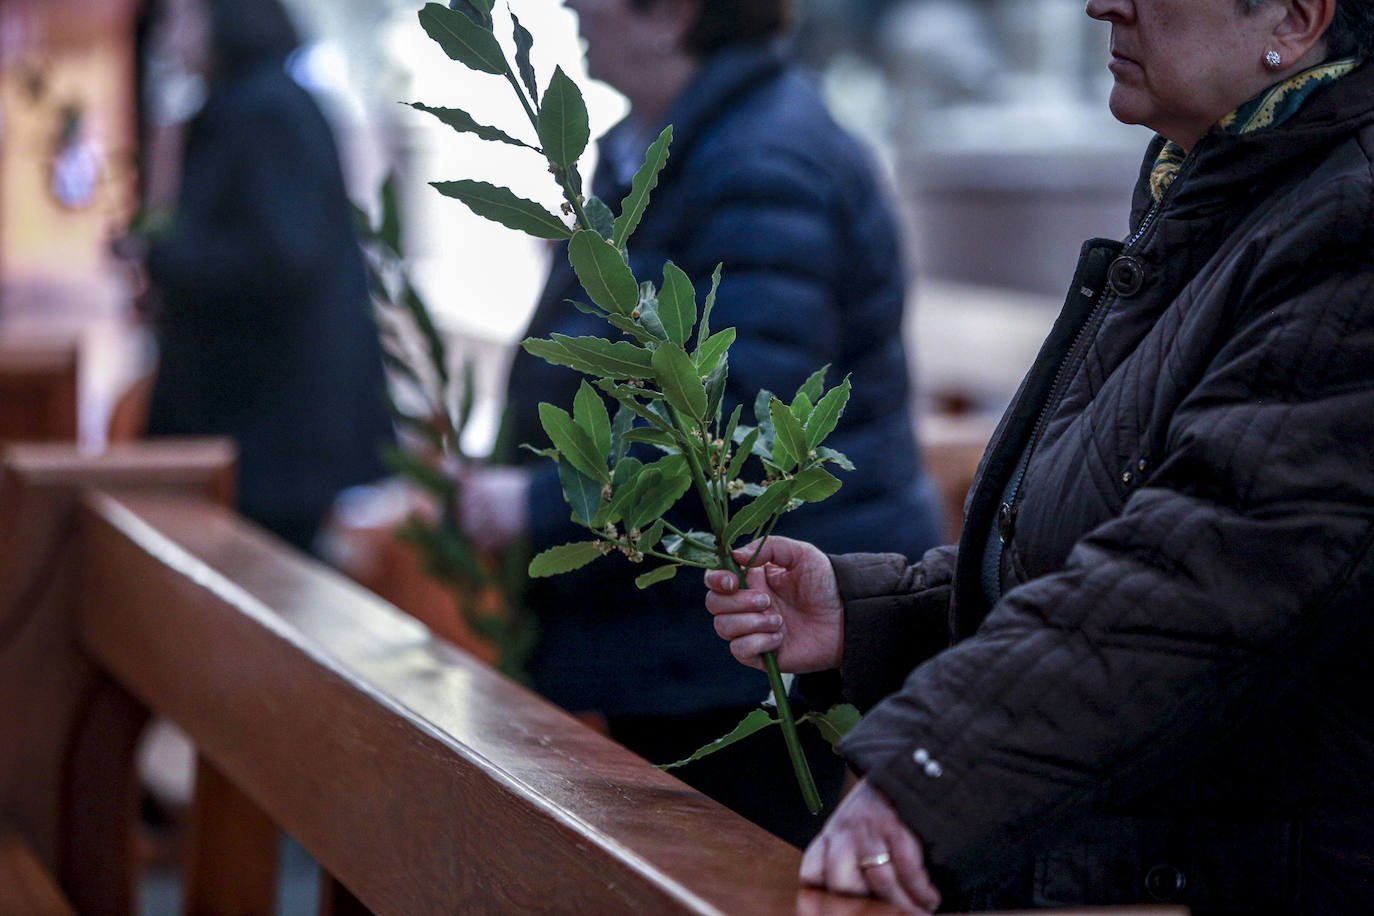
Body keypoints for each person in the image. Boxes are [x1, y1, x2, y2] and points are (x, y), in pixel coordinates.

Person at [705, 0, 1374, 911]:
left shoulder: (1348, 226)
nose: (1104, 3)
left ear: (1293, 20)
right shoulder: (1229, 194)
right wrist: (879, 617)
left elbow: (1204, 571)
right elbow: (1110, 529)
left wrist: (932, 770)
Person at [458, 0, 943, 847]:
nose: (572, 5)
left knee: (735, 875)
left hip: (743, 644)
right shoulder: (683, 139)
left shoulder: (762, 160)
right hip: (691, 632)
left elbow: (738, 426)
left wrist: (535, 506)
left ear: (668, 15)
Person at [130, 0, 395, 554]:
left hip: (274, 433)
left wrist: (164, 258)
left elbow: (280, 260)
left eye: (181, 18)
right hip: (264, 428)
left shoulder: (265, 109)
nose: (168, 35)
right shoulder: (251, 103)